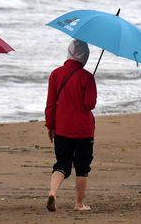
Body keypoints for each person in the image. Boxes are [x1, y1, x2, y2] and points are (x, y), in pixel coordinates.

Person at [44, 40, 97, 212]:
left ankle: (53, 192)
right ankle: (79, 204)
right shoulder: (87, 77)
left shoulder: (56, 74)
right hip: (83, 130)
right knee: (82, 168)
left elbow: (50, 104)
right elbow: (89, 104)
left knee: (61, 164)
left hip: (62, 128)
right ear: (85, 56)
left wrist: (50, 126)